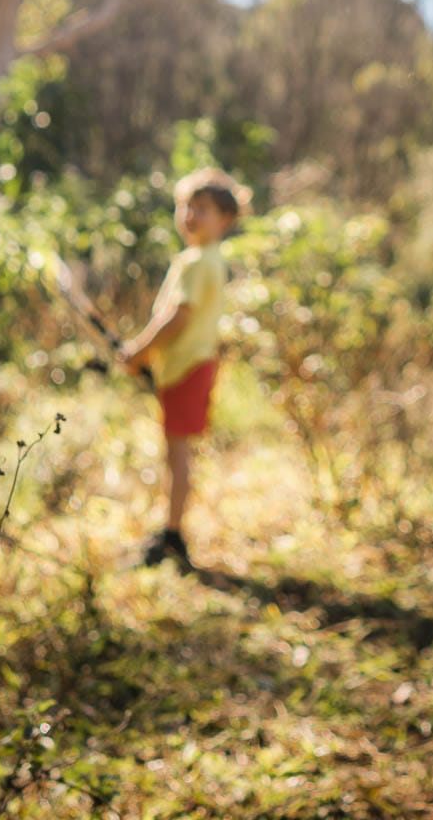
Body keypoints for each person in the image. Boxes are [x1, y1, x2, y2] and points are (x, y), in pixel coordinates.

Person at [121, 166, 247, 569]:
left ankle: (173, 535)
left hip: (189, 368)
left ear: (225, 219)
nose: (191, 214)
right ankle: (171, 528)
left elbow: (178, 318)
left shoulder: (198, 262)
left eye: (203, 208)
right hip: (186, 367)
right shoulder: (203, 258)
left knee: (177, 454)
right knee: (176, 451)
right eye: (186, 206)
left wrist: (139, 351)